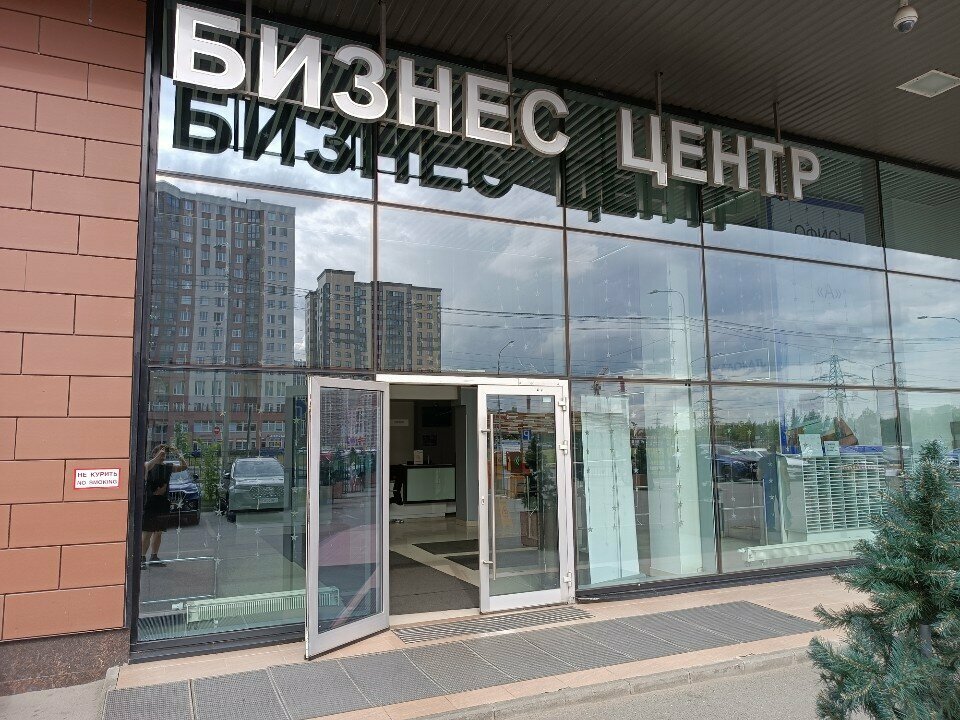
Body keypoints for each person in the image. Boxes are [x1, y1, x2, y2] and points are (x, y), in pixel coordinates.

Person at [142, 444, 187, 567]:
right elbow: (147, 467)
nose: (163, 454)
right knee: (147, 532)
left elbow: (184, 467)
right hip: (150, 502)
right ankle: (141, 559)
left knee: (158, 532)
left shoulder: (168, 467)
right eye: (161, 452)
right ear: (154, 454)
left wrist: (177, 453)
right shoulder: (148, 465)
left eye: (165, 453)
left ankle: (154, 557)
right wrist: (157, 457)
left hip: (162, 502)